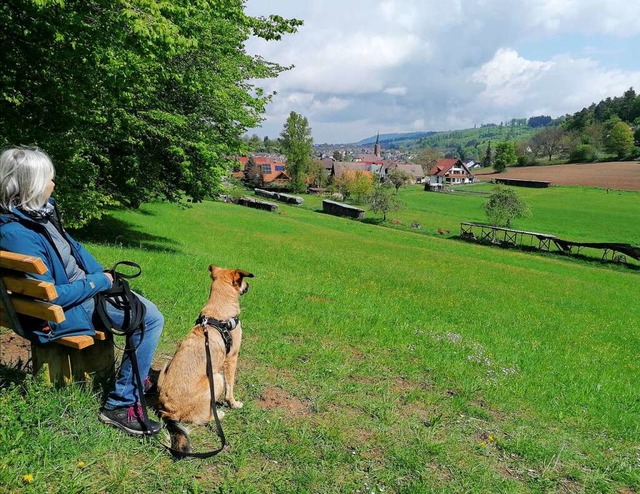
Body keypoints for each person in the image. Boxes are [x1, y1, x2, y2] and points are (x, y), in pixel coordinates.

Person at [0, 147, 163, 436]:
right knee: (150, 318)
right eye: (49, 179)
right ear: (32, 186)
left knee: (140, 306)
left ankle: (135, 379)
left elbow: (75, 254)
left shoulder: (36, 217)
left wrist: (106, 277)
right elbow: (50, 296)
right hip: (59, 315)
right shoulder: (18, 233)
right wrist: (100, 282)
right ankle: (121, 403)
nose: (54, 184)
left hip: (73, 298)